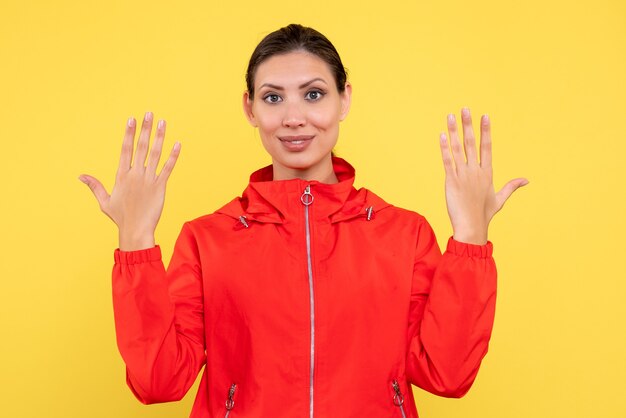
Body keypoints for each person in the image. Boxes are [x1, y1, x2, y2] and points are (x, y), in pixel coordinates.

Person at [79, 23, 527, 418]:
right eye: (273, 98)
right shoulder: (207, 239)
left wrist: (470, 236)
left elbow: (447, 374)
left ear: (344, 98)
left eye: (313, 94)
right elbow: (159, 382)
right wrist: (135, 240)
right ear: (250, 108)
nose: (294, 119)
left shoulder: (404, 234)